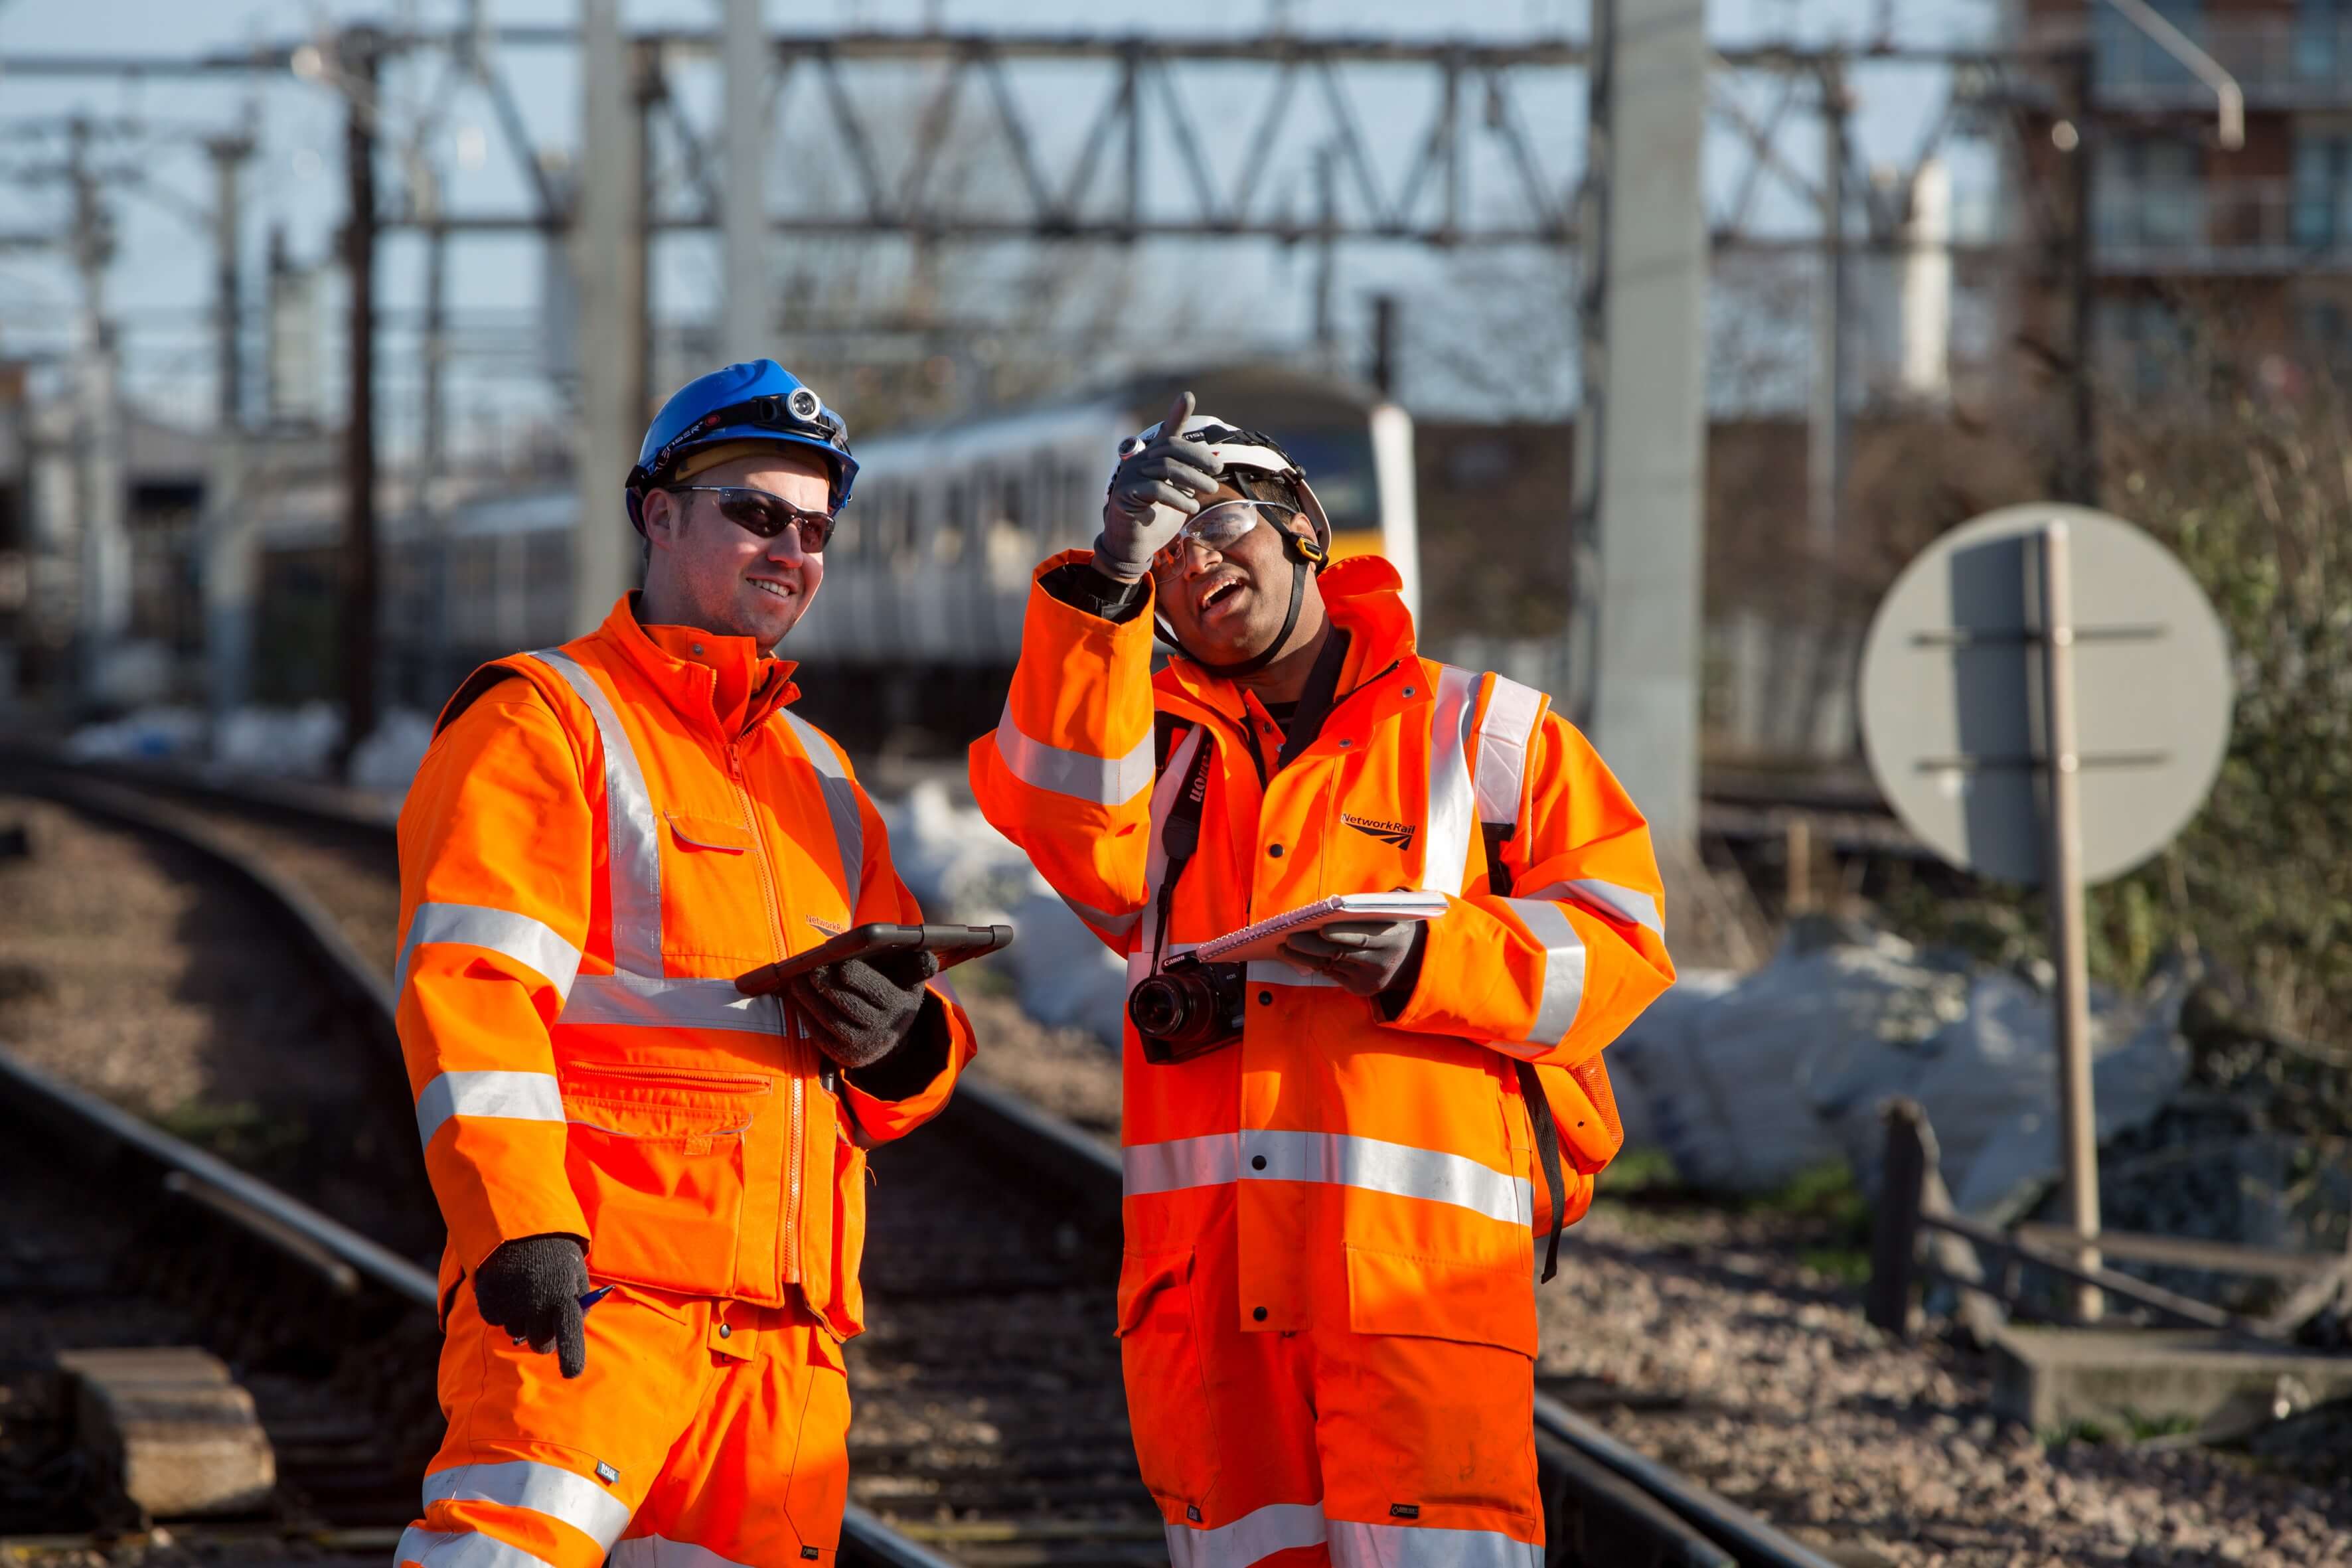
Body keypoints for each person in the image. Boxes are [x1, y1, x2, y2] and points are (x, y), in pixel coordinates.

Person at [969, 392, 1675, 1566]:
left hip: (1417, 1308)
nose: (1197, 562)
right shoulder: (1153, 756)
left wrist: (1429, 960)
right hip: (1217, 1318)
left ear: (1303, 527)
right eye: (1170, 548)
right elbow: (1052, 806)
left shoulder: (1485, 737)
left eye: (1222, 522)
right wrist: (1105, 583)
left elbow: (1621, 940)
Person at [392, 360, 977, 1568]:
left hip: (783, 1338)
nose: (792, 550)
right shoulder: (544, 720)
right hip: (601, 1297)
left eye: (815, 528)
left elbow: (918, 1048)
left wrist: (901, 1038)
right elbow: (471, 995)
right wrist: (518, 1231)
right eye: (756, 512)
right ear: (657, 512)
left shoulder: (822, 776)